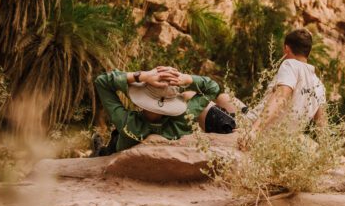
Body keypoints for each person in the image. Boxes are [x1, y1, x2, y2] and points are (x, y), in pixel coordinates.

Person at [91, 65, 241, 156]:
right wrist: (187, 78)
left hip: (117, 150)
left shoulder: (127, 123)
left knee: (107, 148)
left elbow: (102, 81)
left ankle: (99, 150)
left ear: (142, 100)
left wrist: (141, 76)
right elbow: (212, 88)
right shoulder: (184, 119)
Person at [243, 28, 327, 137]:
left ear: (286, 49)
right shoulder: (319, 85)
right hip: (285, 138)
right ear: (309, 52)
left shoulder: (290, 65)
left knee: (224, 98)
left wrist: (254, 130)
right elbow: (322, 124)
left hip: (255, 126)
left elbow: (281, 96)